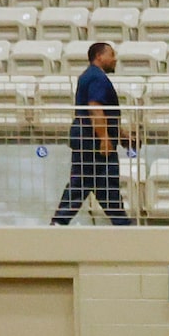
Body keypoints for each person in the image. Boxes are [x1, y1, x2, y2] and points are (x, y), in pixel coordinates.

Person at [51, 42, 128, 228]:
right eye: (112, 54)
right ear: (99, 56)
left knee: (97, 185)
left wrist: (121, 135)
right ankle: (122, 226)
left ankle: (122, 224)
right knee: (91, 182)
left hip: (87, 138)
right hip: (92, 141)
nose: (115, 59)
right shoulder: (97, 78)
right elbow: (95, 108)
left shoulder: (90, 76)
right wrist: (104, 138)